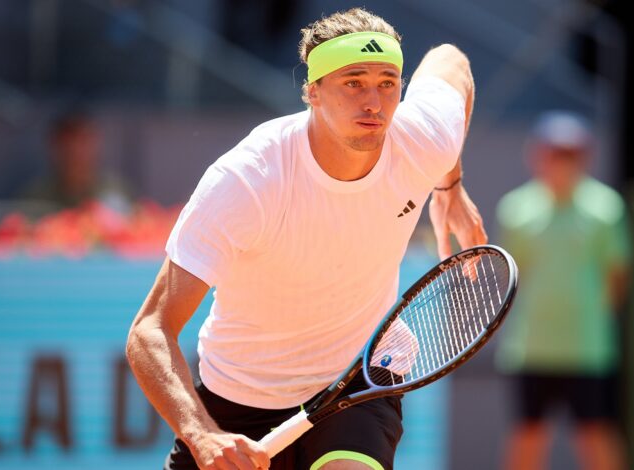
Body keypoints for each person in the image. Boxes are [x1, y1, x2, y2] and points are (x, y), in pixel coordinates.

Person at [126, 8, 486, 470]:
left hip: (358, 380)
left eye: (387, 83)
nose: (374, 103)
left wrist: (449, 185)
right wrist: (202, 434)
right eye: (353, 83)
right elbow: (150, 330)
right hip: (239, 396)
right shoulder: (247, 181)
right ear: (313, 91)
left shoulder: (424, 140)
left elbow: (450, 60)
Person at [494, 111, 630, 470]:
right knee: (527, 435)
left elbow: (617, 277)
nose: (562, 161)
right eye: (555, 152)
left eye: (571, 153)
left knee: (596, 434)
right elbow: (514, 276)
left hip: (587, 349)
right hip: (531, 349)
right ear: (537, 155)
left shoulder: (607, 209)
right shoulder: (515, 210)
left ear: (585, 157)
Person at [21, 111, 133, 213]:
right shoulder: (35, 198)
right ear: (53, 147)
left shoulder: (116, 190)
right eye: (66, 144)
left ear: (96, 144)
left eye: (83, 142)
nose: (75, 151)